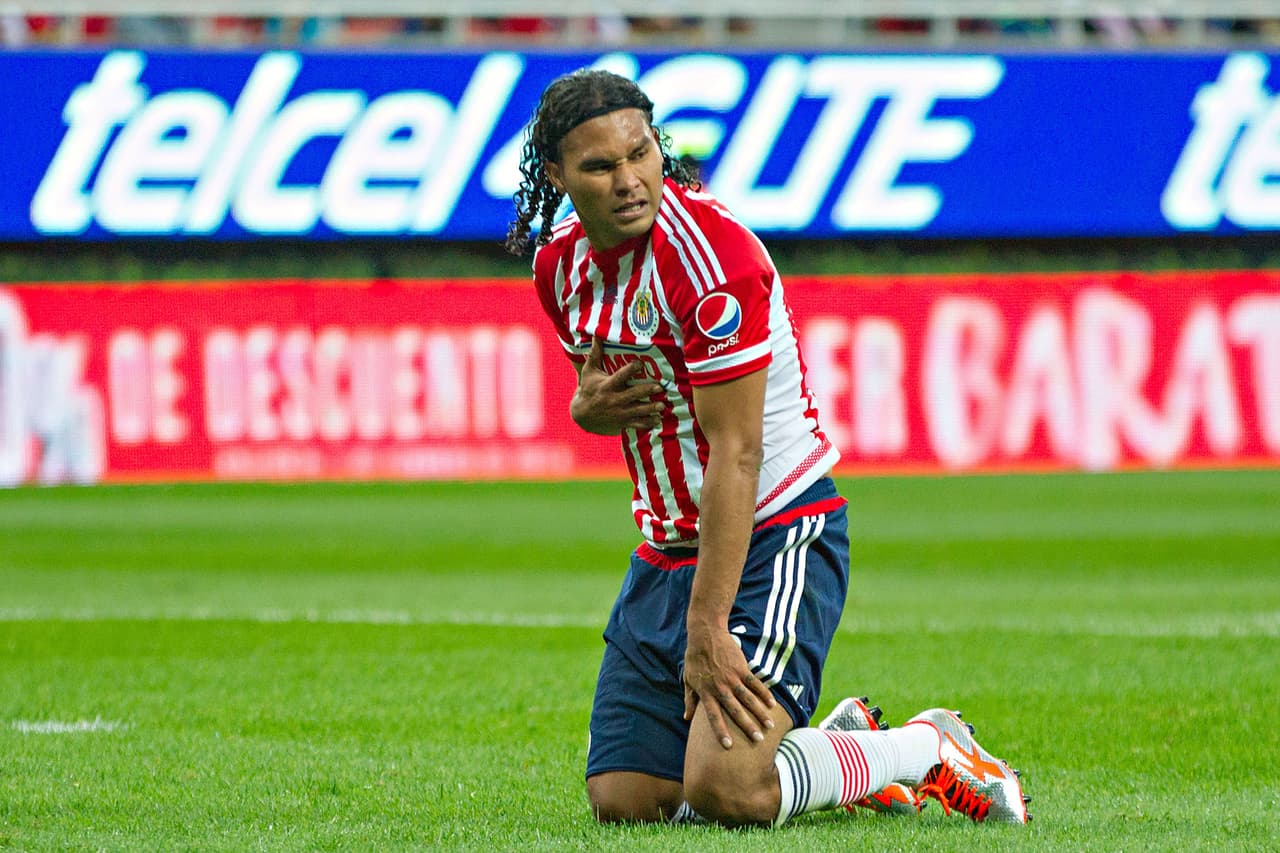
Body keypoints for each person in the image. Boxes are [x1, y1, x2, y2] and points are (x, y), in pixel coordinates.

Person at [505, 68, 1030, 829]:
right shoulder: (560, 267)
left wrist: (707, 627)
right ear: (556, 174)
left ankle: (921, 746)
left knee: (729, 791)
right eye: (599, 166)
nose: (628, 180)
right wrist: (586, 412)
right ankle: (836, 748)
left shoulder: (712, 260)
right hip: (666, 546)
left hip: (776, 529)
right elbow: (610, 398)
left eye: (640, 153)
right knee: (626, 801)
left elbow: (738, 451)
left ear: (659, 146)